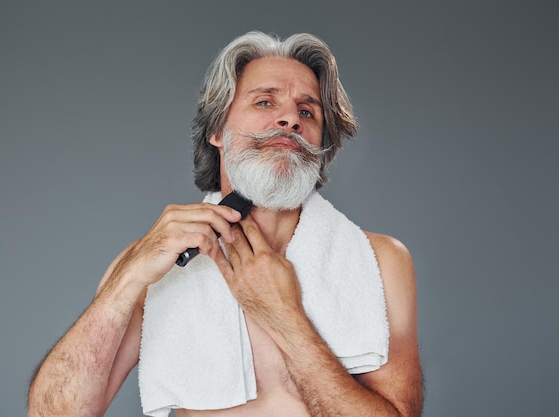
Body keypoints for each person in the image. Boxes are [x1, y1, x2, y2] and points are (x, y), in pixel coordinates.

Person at [27, 31, 424, 417]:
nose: (289, 118)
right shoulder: (151, 268)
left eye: (307, 111)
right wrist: (126, 279)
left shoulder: (380, 261)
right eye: (265, 102)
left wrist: (284, 317)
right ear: (217, 130)